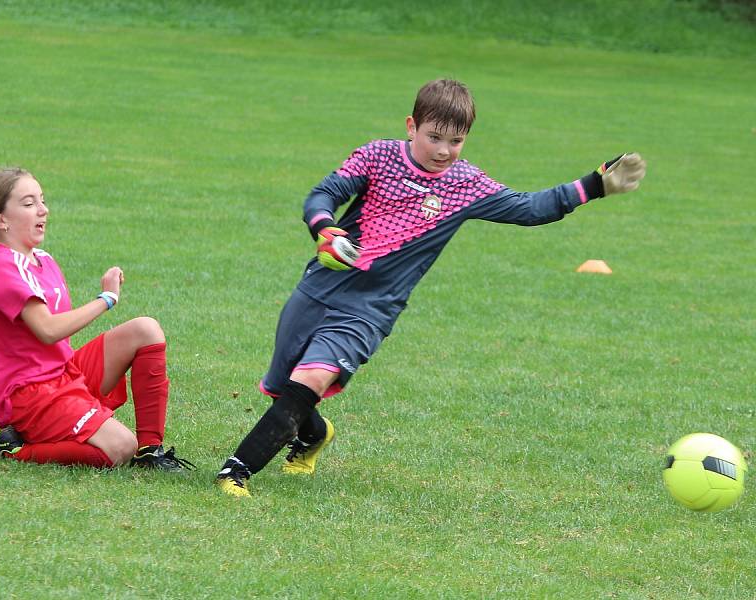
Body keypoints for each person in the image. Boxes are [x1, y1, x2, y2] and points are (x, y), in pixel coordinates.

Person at [215, 79, 646, 497]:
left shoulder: (467, 184)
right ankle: (314, 435)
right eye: (434, 137)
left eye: (456, 141)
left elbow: (530, 208)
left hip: (370, 309)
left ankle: (235, 473)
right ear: (411, 126)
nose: (443, 151)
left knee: (311, 378)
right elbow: (324, 194)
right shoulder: (377, 156)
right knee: (285, 388)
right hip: (319, 289)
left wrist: (595, 185)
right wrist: (324, 228)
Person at [0, 168, 195, 471]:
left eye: (42, 200)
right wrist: (106, 299)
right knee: (119, 447)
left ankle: (150, 452)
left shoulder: (44, 260)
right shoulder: (1, 266)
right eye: (28, 203)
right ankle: (13, 450)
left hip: (60, 376)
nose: (43, 210)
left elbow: (53, 341)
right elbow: (48, 330)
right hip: (24, 398)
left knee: (146, 329)